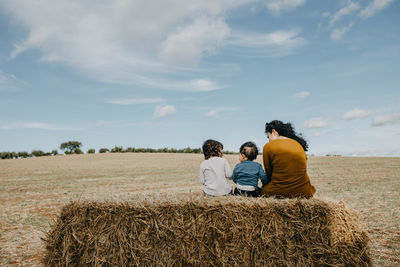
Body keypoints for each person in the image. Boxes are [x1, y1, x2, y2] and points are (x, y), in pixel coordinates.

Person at [262, 120, 316, 198]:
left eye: (268, 137)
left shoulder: (268, 146)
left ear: (274, 132)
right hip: (304, 192)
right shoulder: (298, 144)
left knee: (261, 190)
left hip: (278, 191)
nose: (268, 140)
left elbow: (269, 172)